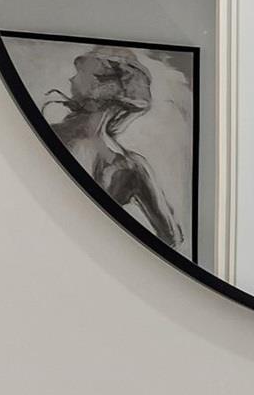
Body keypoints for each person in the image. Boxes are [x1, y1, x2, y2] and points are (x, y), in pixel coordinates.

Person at [43, 47, 184, 250]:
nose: (71, 81)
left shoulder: (131, 166)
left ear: (100, 88)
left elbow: (172, 238)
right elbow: (172, 238)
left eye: (80, 74)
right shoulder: (132, 165)